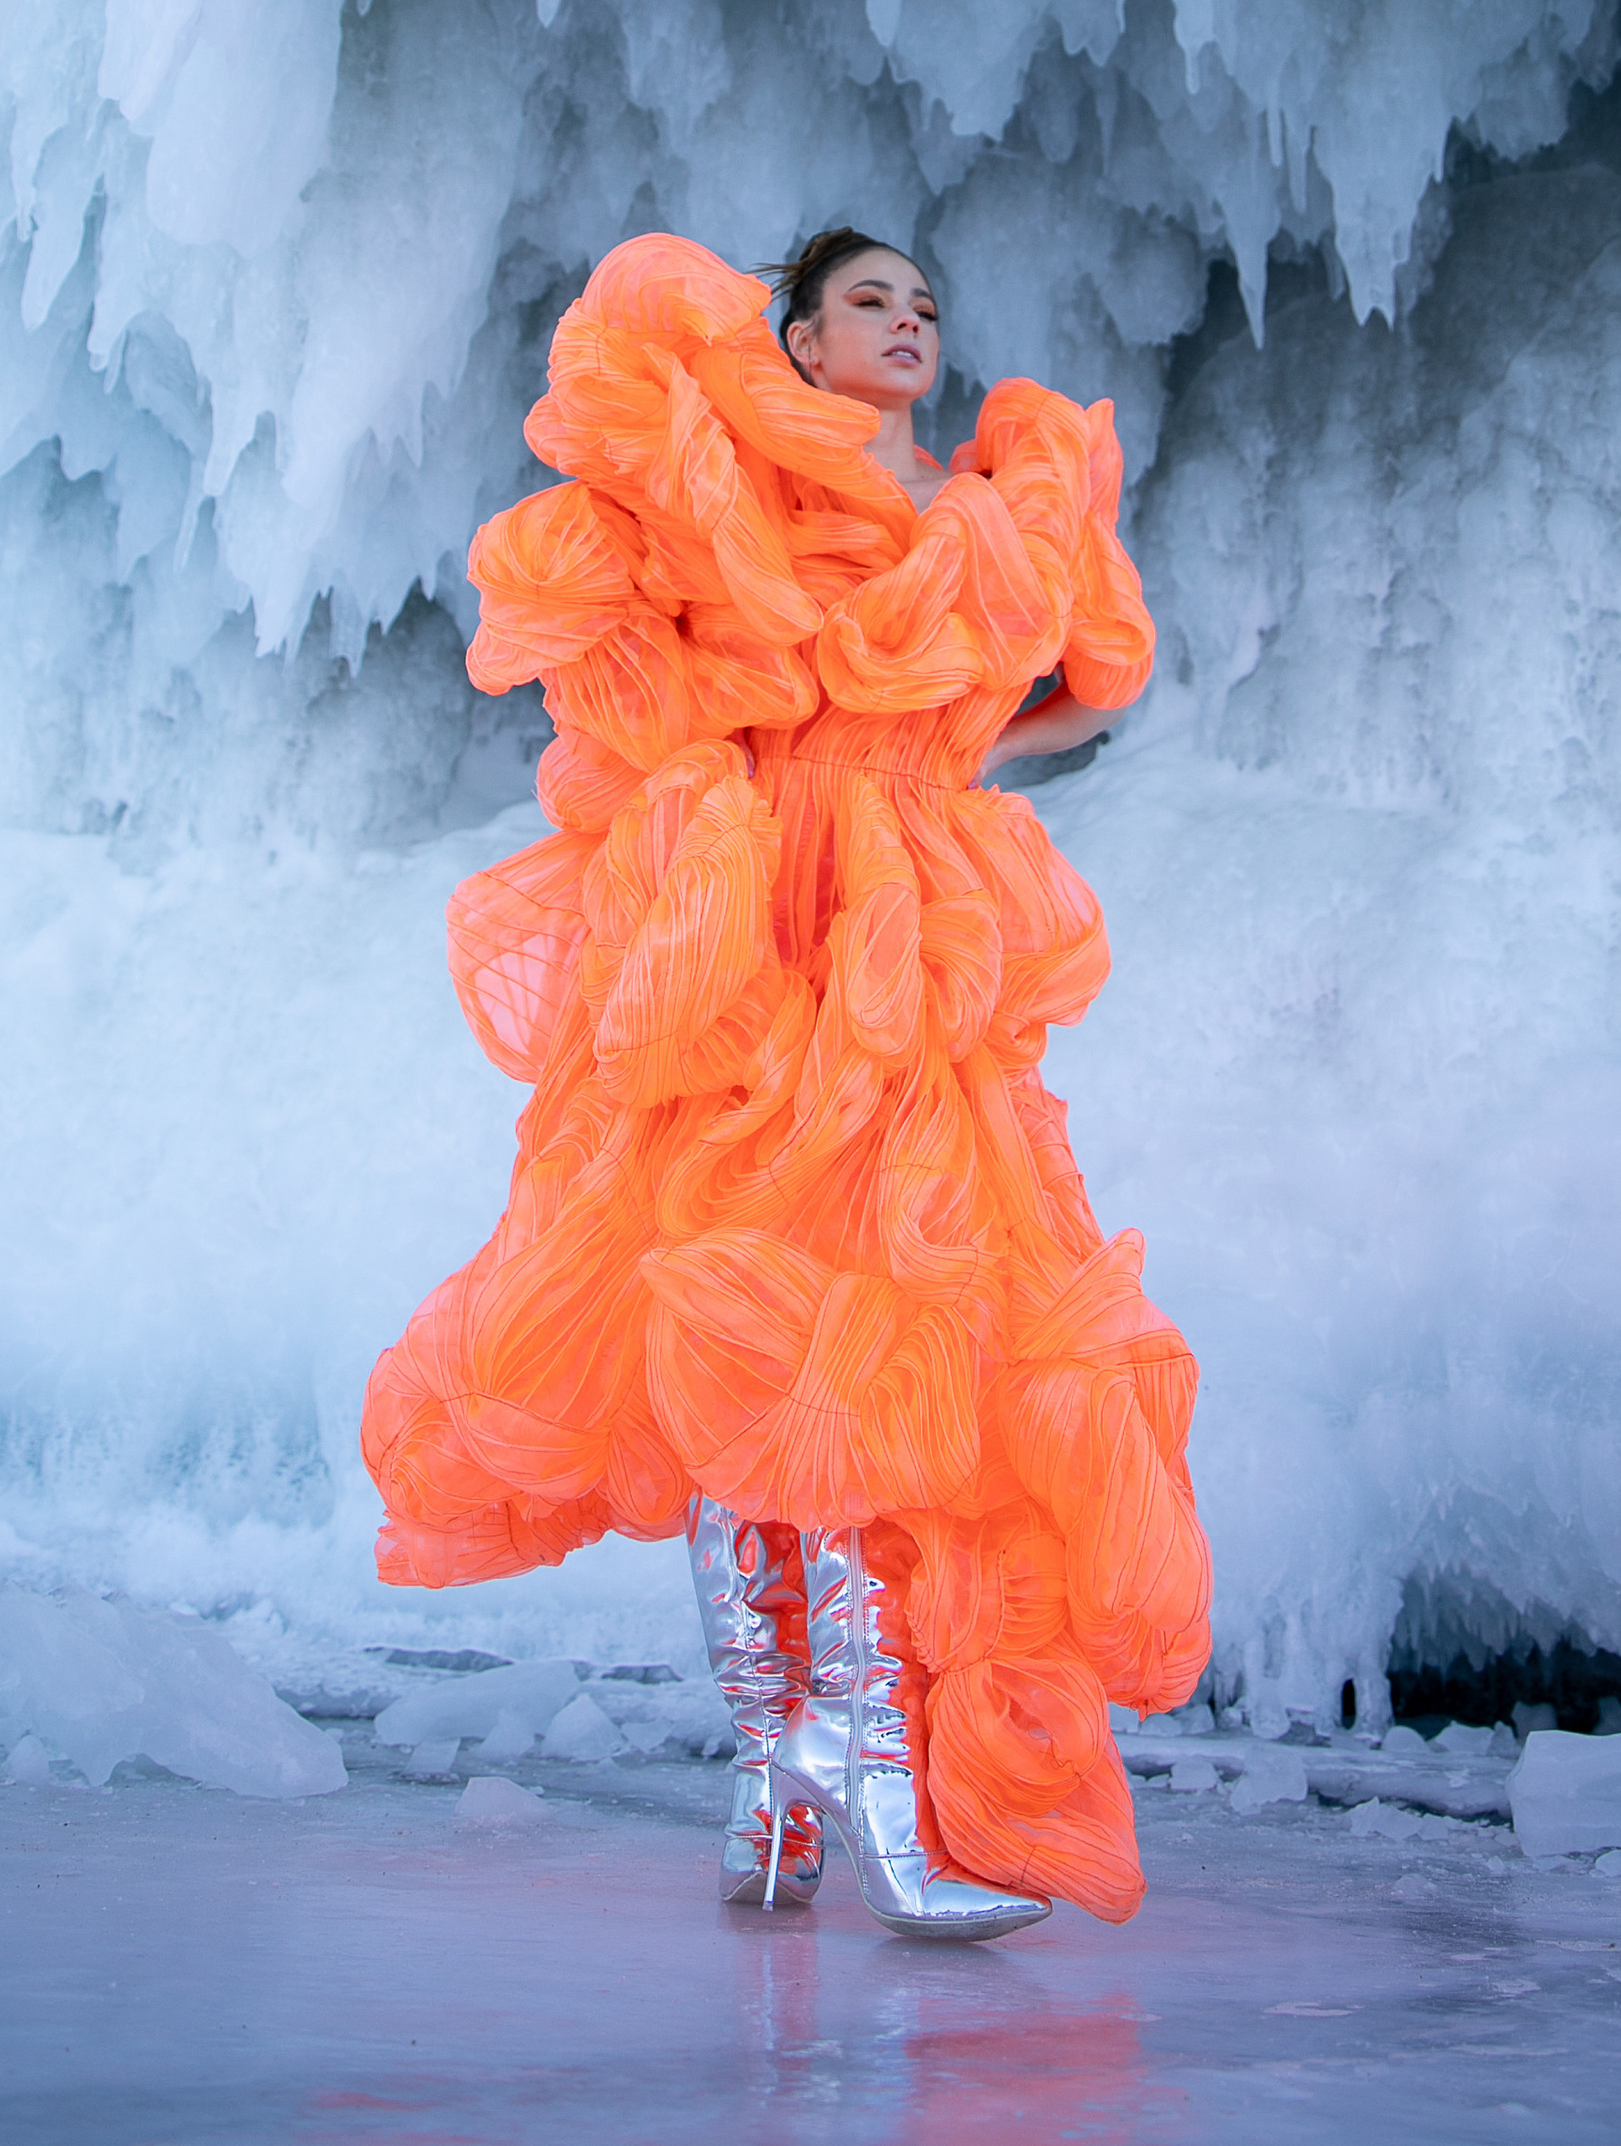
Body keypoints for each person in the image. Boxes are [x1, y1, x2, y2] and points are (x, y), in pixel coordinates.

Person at [362, 226, 1210, 1939]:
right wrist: (799, 767)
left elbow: (1065, 692)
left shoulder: (985, 500)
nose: (908, 325)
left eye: (925, 306)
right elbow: (641, 659)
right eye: (868, 302)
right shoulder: (740, 485)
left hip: (907, 933)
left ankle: (817, 1787)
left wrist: (942, 750)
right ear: (802, 342)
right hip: (757, 935)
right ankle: (799, 1767)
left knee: (884, 1323)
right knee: (753, 1326)